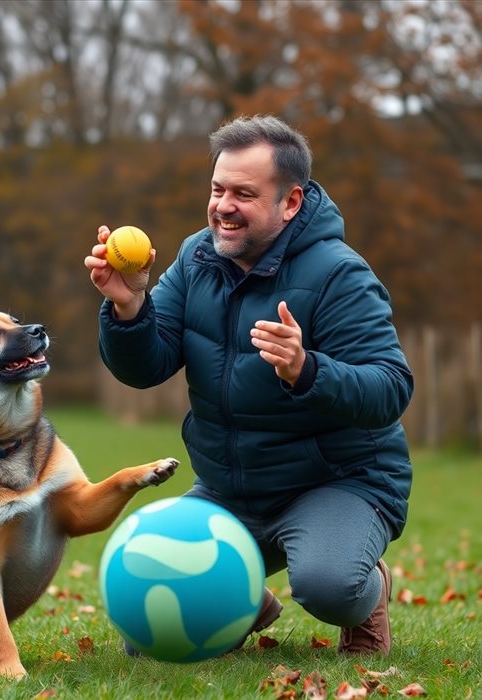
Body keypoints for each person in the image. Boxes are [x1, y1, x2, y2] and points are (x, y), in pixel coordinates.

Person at [84, 115, 413, 655]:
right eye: (217, 190)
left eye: (243, 193)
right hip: (230, 486)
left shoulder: (339, 274)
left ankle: (366, 590)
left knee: (328, 585)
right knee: (146, 624)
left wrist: (308, 369)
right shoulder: (197, 258)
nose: (223, 206)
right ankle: (241, 597)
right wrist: (129, 306)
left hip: (334, 480)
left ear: (290, 202)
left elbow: (391, 388)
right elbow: (145, 368)